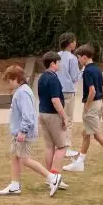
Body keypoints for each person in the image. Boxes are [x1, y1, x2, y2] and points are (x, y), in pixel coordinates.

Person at [0, 64, 62, 196]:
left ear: (16, 78)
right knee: (15, 156)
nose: (8, 85)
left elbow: (27, 115)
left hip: (23, 133)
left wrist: (23, 131)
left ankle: (52, 178)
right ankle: (15, 185)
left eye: (9, 81)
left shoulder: (22, 93)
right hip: (18, 133)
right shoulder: (22, 91)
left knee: (24, 159)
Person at [67, 45, 103, 175]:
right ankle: (80, 162)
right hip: (98, 104)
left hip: (92, 105)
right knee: (86, 133)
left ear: (84, 57)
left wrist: (86, 107)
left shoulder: (87, 71)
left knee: (97, 135)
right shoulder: (97, 69)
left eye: (78, 58)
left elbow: (92, 91)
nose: (78, 61)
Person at [35, 50, 75, 188]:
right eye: (58, 62)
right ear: (53, 64)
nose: (60, 65)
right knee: (63, 146)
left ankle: (49, 177)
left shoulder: (41, 78)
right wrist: (64, 116)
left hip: (43, 113)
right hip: (53, 115)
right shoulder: (53, 78)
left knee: (49, 146)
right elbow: (56, 100)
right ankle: (54, 176)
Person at [53, 33, 85, 164]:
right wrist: (83, 69)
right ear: (70, 43)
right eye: (74, 41)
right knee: (68, 119)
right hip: (68, 91)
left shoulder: (56, 56)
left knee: (59, 119)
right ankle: (66, 148)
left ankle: (59, 145)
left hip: (57, 91)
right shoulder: (72, 58)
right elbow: (75, 77)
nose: (75, 43)